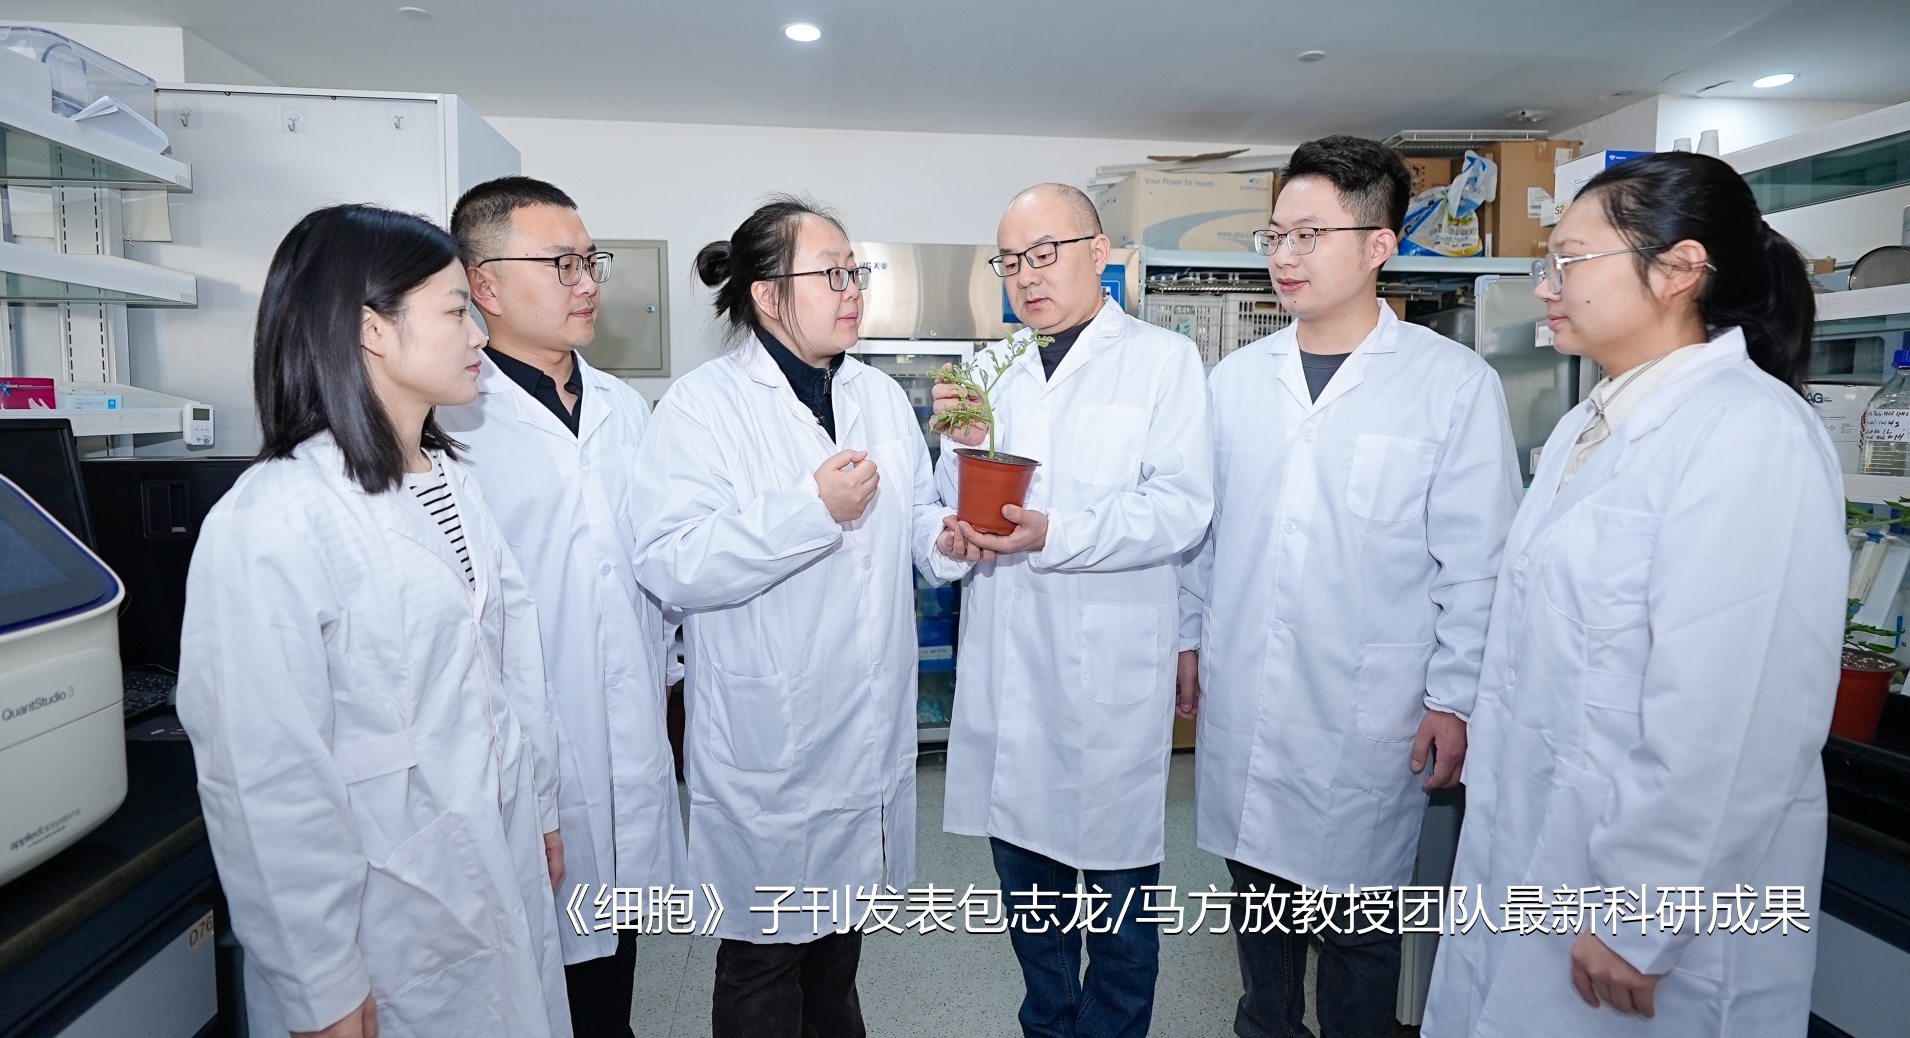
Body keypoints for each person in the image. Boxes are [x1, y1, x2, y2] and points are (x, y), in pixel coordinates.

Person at [1421, 151, 1843, 1037]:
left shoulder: (1749, 434)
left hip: (1648, 920)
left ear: (1680, 269)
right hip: (1542, 857)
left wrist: (1642, 916)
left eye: (1570, 261)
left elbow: (1734, 717)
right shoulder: (1592, 422)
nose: (1547, 287)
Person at [176, 204, 570, 1038]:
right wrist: (317, 979)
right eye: (457, 311)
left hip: (491, 859)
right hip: (384, 911)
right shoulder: (275, 518)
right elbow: (265, 776)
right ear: (372, 329)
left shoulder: (452, 484)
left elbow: (508, 675)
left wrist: (539, 806)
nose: (478, 335)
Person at [1175, 135, 1521, 1038]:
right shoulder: (1235, 383)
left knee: (1359, 932)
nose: (1284, 255)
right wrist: (1188, 638)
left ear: (1378, 245)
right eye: (1276, 235)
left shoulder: (1452, 385)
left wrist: (1455, 697)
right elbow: (1204, 535)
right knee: (1259, 909)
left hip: (1372, 705)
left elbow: (1478, 562)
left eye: (1310, 235)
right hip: (1249, 693)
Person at [628, 196, 965, 1038]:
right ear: (768, 294)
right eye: (832, 274)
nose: (854, 290)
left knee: (838, 950)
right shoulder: (702, 407)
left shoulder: (877, 396)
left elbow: (915, 517)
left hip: (863, 724)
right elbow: (671, 560)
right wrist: (811, 512)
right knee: (763, 957)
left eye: (856, 272)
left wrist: (948, 538)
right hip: (767, 733)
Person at [932, 183, 1213, 1038]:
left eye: (1044, 254)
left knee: (1120, 919)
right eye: (1010, 260)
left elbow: (1181, 509)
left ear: (1099, 252)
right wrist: (958, 453)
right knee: (1032, 909)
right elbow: (954, 497)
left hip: (1107, 676)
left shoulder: (1163, 362)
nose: (1026, 275)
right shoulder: (993, 368)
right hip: (1011, 673)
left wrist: (1056, 532)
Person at [436, 176, 686, 1038]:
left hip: (628, 735)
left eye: (591, 261)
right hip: (521, 754)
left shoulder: (625, 409)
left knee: (610, 975)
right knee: (526, 985)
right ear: (485, 284)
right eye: (562, 264)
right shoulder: (450, 425)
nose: (588, 283)